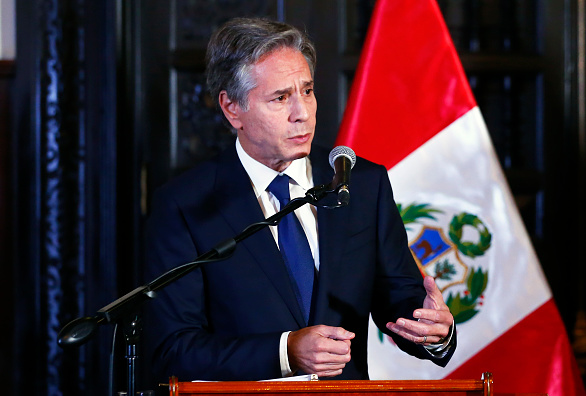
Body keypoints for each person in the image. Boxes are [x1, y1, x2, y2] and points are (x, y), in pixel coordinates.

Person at [143, 17, 455, 383]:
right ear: (232, 109)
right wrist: (286, 351)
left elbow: (399, 299)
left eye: (307, 91)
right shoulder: (185, 204)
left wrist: (432, 329)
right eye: (280, 98)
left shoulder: (361, 184)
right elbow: (173, 349)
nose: (302, 113)